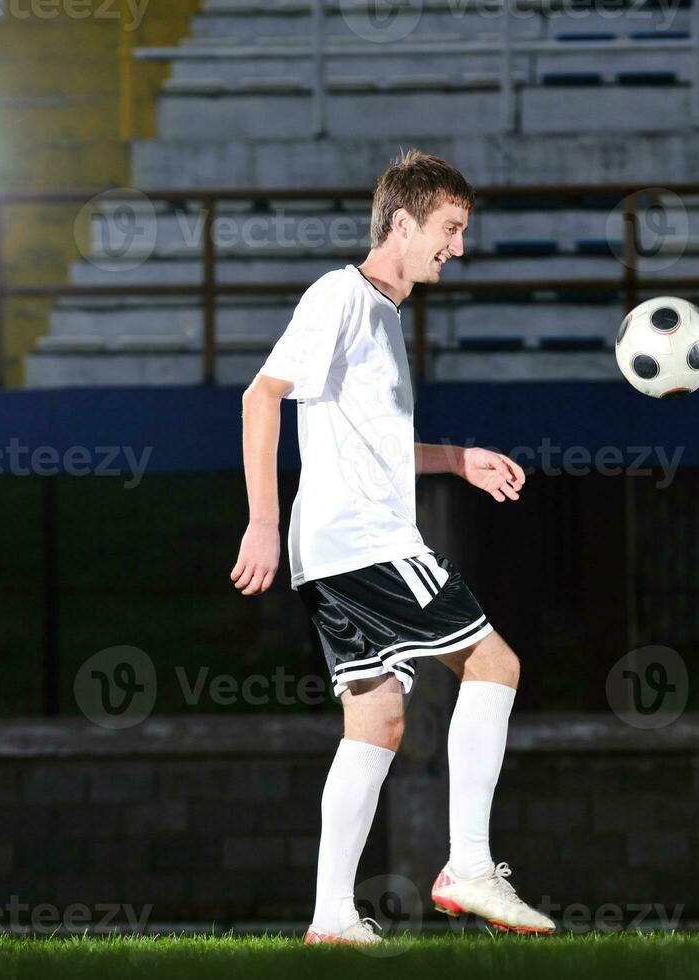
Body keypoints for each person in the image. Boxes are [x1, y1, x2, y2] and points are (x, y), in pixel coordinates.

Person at [230, 149, 555, 942]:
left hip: (335, 552)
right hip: (364, 543)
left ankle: (332, 917)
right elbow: (259, 396)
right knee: (494, 664)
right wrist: (262, 521)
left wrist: (455, 460)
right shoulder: (340, 295)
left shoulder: (382, 313)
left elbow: (369, 443)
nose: (459, 247)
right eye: (450, 228)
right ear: (401, 223)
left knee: (374, 723)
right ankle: (469, 868)